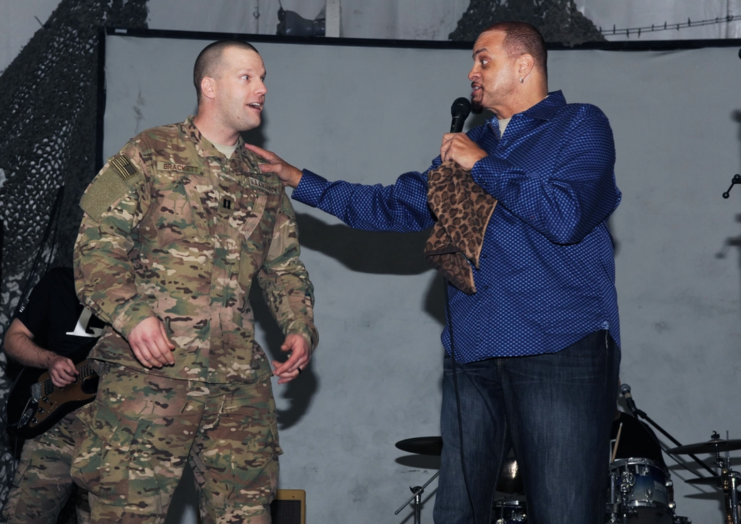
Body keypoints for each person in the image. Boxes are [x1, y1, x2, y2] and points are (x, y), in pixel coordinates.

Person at [247, 22, 621, 524]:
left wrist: (482, 164)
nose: (472, 72)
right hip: (473, 350)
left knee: (565, 512)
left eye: (483, 60)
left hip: (558, 344)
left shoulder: (578, 125)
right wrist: (299, 179)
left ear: (524, 65)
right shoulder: (473, 145)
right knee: (455, 514)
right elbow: (392, 206)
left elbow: (567, 215)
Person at [71, 40, 318, 524]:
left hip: (237, 386)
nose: (262, 88)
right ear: (209, 85)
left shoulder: (265, 178)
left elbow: (283, 266)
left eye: (263, 77)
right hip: (148, 378)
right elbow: (94, 246)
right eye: (247, 77)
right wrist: (133, 316)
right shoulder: (146, 152)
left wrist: (300, 326)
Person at [2, 267, 106, 524]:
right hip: (53, 423)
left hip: (111, 429)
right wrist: (50, 360)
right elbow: (13, 339)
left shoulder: (143, 292)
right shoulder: (60, 279)